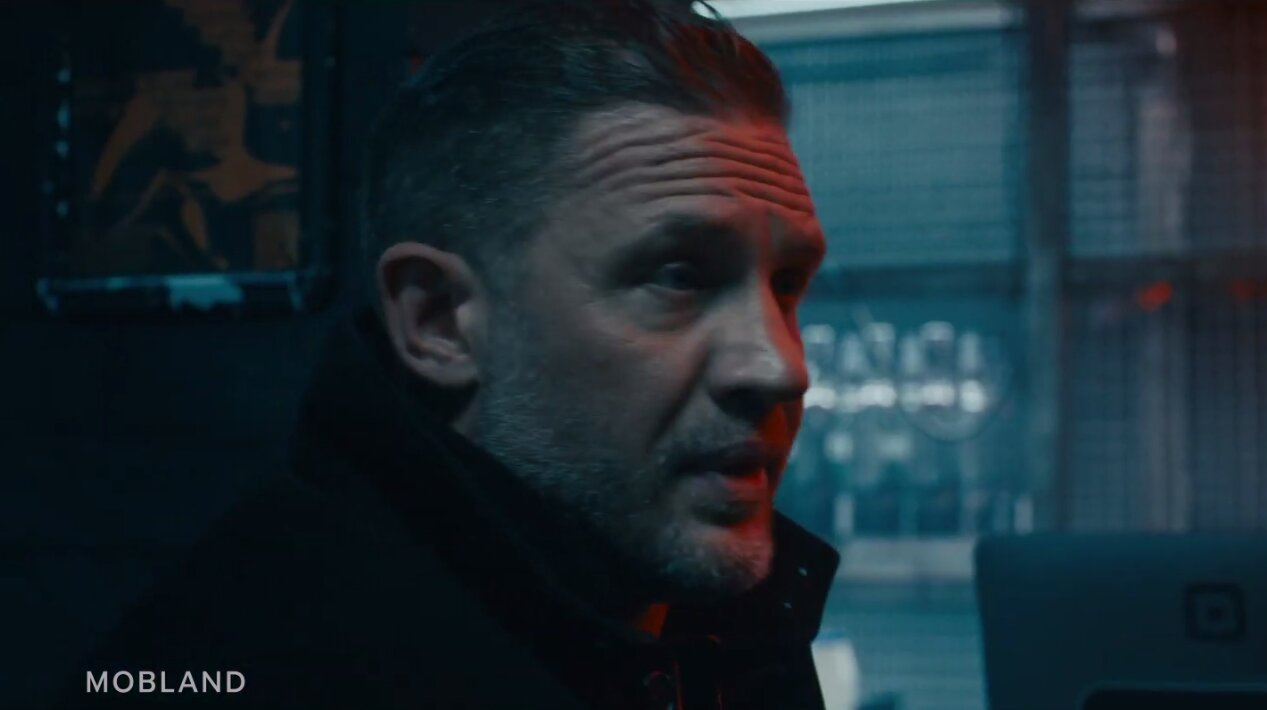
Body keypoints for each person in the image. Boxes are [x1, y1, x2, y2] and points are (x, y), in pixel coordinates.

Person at [58, 1, 837, 707]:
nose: (781, 366)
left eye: (788, 284)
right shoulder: (241, 659)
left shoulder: (723, 626)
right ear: (438, 322)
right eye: (679, 278)